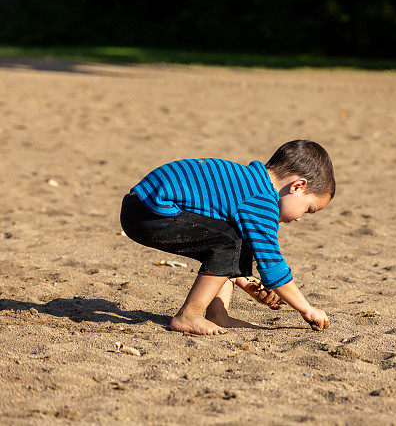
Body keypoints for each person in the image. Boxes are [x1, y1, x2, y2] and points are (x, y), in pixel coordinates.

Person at [119, 140, 334, 336]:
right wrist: (307, 309)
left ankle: (218, 315)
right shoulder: (263, 200)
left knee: (233, 236)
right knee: (229, 241)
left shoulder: (250, 181)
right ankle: (188, 316)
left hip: (142, 205)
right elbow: (273, 268)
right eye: (308, 209)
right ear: (298, 186)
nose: (299, 219)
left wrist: (243, 279)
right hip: (150, 211)